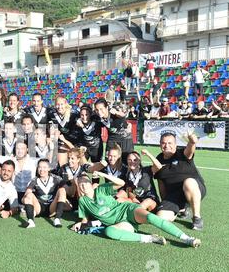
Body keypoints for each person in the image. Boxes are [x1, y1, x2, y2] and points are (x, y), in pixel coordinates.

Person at [70, 171, 201, 248]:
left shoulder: (101, 189)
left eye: (85, 182)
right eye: (80, 184)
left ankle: (186, 238)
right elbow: (84, 219)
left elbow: (120, 183)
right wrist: (79, 223)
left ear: (90, 183)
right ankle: (149, 238)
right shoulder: (83, 201)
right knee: (109, 232)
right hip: (120, 223)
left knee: (150, 217)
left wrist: (102, 174)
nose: (83, 186)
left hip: (127, 210)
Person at [154, 132, 206, 230]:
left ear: (175, 145)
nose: (166, 146)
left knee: (188, 182)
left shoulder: (181, 153)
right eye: (163, 143)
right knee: (161, 217)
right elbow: (161, 184)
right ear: (160, 144)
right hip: (174, 195)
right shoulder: (159, 159)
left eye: (170, 143)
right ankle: (180, 209)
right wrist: (164, 202)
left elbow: (190, 150)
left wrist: (192, 142)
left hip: (194, 189)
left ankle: (197, 218)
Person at [22, 159, 65, 228]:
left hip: (52, 208)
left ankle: (57, 219)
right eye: (39, 167)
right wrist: (26, 199)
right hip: (39, 208)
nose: (42, 169)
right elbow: (27, 194)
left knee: (62, 190)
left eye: (44, 167)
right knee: (29, 195)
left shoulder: (56, 178)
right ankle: (30, 221)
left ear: (49, 168)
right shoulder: (34, 180)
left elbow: (67, 189)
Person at [95, 98, 134, 163]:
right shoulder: (97, 117)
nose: (99, 112)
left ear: (107, 107)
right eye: (97, 110)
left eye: (101, 109)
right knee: (109, 160)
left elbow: (122, 115)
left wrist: (116, 112)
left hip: (125, 138)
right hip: (112, 139)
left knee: (126, 161)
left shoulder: (113, 112)